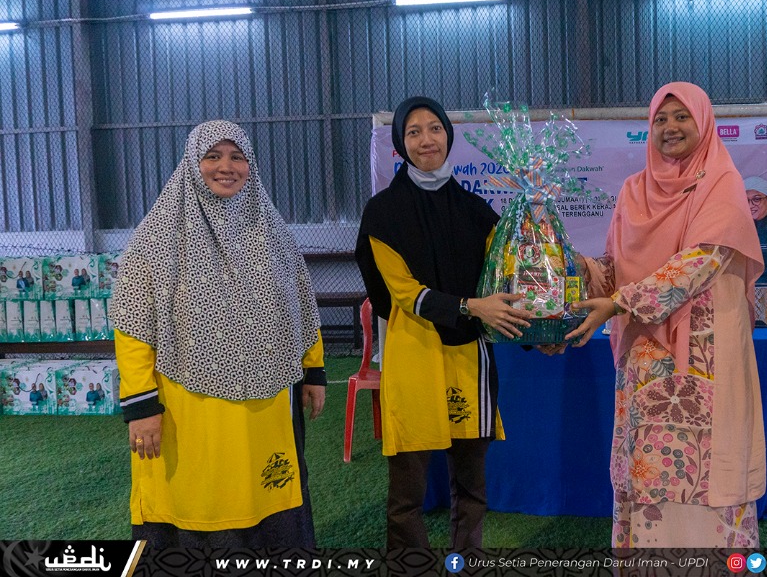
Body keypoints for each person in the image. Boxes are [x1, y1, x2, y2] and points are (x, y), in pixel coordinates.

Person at [559, 82, 767, 548]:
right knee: (647, 469)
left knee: (704, 472)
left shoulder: (722, 183)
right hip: (644, 359)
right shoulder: (633, 190)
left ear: (703, 122)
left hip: (705, 359)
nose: (670, 127)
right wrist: (567, 263)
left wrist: (620, 303)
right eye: (660, 119)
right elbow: (614, 268)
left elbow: (699, 263)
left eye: (681, 117)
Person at [111, 120, 325, 549]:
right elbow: (132, 325)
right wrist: (141, 406)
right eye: (213, 156)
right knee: (200, 498)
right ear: (192, 163)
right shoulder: (156, 238)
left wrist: (313, 370)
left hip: (267, 407)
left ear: (250, 165)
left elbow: (299, 305)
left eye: (236, 157)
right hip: (189, 409)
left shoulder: (272, 232)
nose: (226, 167)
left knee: (270, 493)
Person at [355, 96, 532, 548]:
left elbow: (506, 278)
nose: (426, 140)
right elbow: (404, 293)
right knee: (407, 496)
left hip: (470, 360)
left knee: (472, 489)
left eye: (434, 128)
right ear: (400, 144)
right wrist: (472, 307)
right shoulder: (383, 214)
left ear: (448, 137)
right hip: (415, 355)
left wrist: (541, 324)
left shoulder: (477, 211)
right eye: (413, 132)